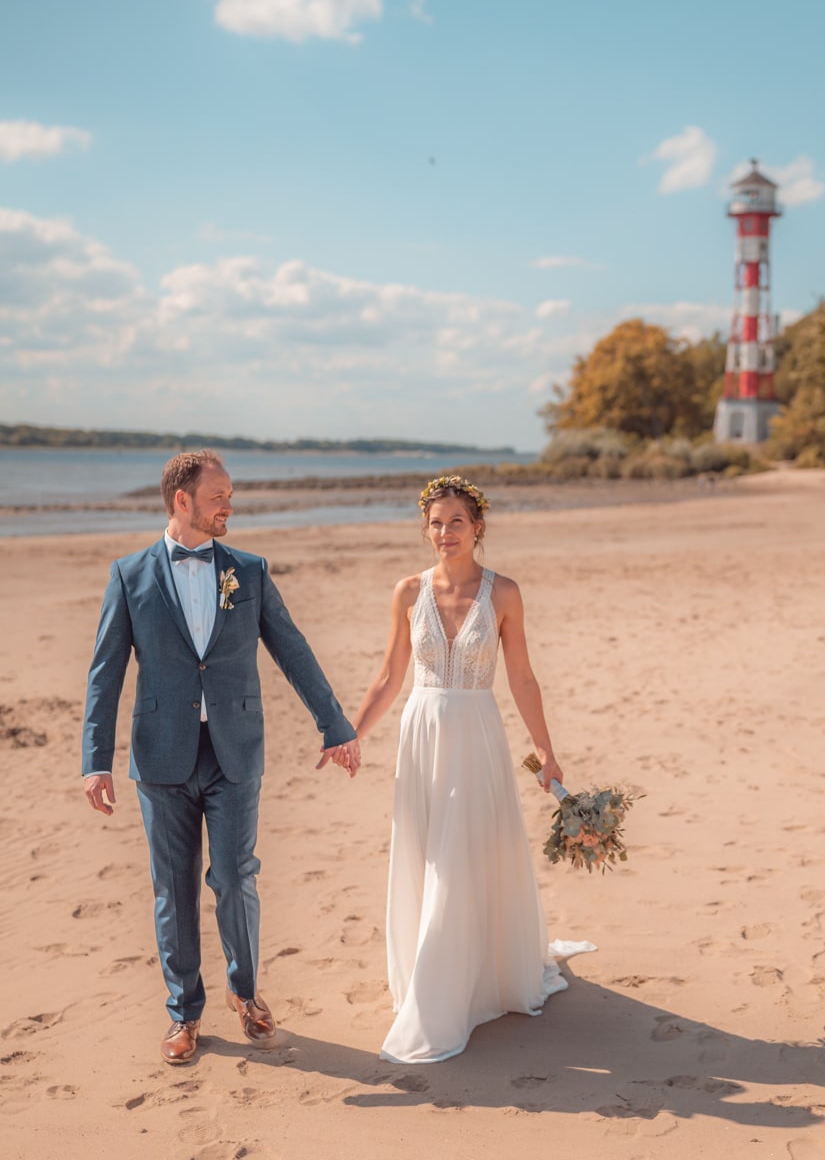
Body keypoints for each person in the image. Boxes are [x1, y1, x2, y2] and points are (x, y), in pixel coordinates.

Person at [81, 450, 360, 1066]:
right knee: (173, 891)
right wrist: (94, 760)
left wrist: (334, 726)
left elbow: (293, 649)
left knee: (235, 879)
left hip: (235, 752)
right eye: (218, 495)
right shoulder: (131, 576)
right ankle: (184, 1014)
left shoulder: (249, 571)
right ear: (182, 501)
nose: (228, 504)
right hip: (161, 758)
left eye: (229, 494)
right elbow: (105, 674)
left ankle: (245, 991)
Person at [348, 474, 569, 1063]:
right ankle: (432, 976)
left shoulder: (504, 594)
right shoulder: (406, 592)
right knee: (429, 854)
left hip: (476, 736)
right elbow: (389, 676)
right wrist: (350, 734)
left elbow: (521, 677)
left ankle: (452, 993)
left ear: (478, 528)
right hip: (420, 738)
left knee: (465, 855)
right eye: (436, 522)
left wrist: (546, 751)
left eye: (456, 522)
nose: (444, 533)